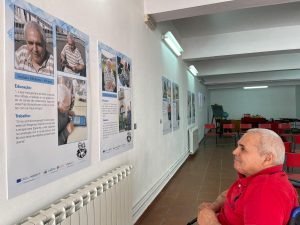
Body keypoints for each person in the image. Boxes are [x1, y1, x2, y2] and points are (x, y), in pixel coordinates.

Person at [197, 128, 298, 225]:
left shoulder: (265, 191)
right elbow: (236, 195)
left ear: (267, 158)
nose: (234, 152)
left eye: (243, 148)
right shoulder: (256, 177)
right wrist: (214, 206)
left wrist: (209, 222)